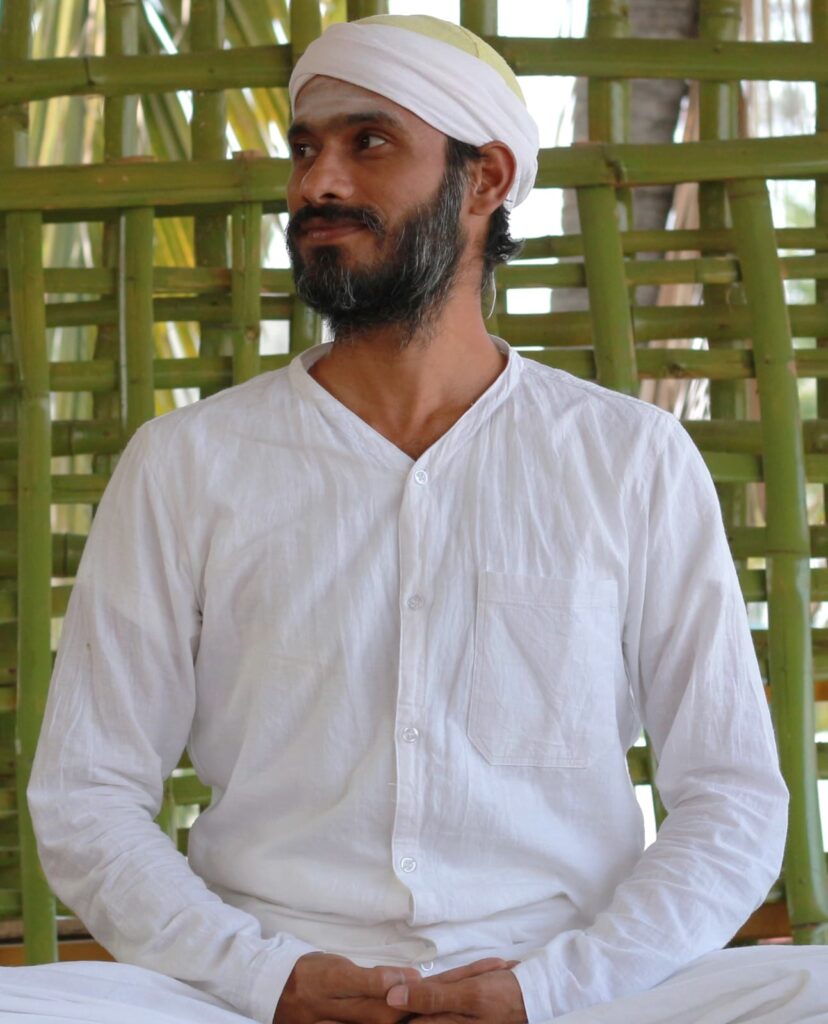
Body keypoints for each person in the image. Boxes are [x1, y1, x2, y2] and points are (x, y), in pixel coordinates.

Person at [3, 12, 827, 1024]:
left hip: (570, 991)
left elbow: (734, 800)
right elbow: (87, 796)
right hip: (253, 993)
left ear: (484, 180)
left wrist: (550, 987)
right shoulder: (187, 463)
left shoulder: (630, 459)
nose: (319, 183)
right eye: (306, 149)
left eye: (369, 142)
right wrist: (266, 977)